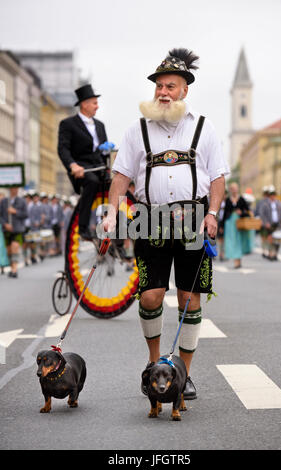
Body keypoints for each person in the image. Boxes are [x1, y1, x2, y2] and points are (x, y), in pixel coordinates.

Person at [102, 48, 229, 400]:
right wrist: (112, 212)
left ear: (184, 90)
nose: (162, 92)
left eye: (170, 86)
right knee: (152, 294)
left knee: (189, 298)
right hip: (150, 218)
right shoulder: (136, 129)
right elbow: (121, 176)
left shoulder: (204, 128)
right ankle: (155, 366)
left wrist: (213, 213)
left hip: (192, 219)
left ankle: (182, 374)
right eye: (158, 86)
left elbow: (217, 177)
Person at [58, 84, 109, 240]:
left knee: (114, 184)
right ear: (84, 104)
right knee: (92, 182)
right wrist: (73, 165)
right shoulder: (68, 124)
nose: (97, 106)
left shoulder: (100, 125)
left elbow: (103, 150)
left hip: (100, 166)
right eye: (94, 103)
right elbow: (63, 149)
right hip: (82, 168)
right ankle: (83, 226)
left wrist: (107, 155)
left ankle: (113, 224)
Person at [221, 182, 251, 269]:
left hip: (240, 223)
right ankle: (235, 261)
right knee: (231, 241)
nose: (234, 190)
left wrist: (241, 213)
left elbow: (248, 211)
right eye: (232, 188)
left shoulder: (241, 199)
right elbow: (225, 214)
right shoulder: (227, 200)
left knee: (239, 241)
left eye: (235, 188)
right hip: (230, 224)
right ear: (230, 190)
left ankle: (238, 260)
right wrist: (222, 226)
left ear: (238, 189)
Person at [0, 187, 27, 278]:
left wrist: (15, 212)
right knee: (9, 250)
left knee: (14, 247)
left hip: (17, 229)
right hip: (7, 229)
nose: (14, 190)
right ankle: (12, 268)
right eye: (12, 188)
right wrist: (5, 224)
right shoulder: (4, 201)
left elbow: (25, 214)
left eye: (16, 188)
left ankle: (15, 270)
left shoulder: (22, 201)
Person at [259, 186, 281, 260]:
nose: (273, 196)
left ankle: (275, 253)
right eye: (271, 195)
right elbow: (262, 214)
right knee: (270, 239)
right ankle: (271, 254)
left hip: (278, 224)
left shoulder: (280, 203)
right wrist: (266, 223)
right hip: (269, 224)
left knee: (278, 239)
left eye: (274, 194)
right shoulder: (265, 204)